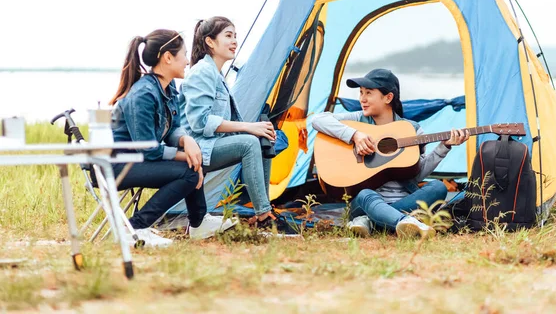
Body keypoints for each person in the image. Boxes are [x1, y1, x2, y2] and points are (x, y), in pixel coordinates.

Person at [110, 29, 236, 247]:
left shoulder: (168, 89)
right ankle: (136, 227)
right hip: (118, 165)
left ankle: (198, 222)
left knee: (194, 163)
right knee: (190, 169)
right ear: (168, 57)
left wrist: (186, 141)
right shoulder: (144, 95)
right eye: (184, 55)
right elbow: (147, 149)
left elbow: (173, 129)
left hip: (138, 161)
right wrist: (186, 156)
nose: (188, 61)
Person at [312, 68, 469, 238]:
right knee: (365, 194)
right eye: (361, 93)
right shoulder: (357, 120)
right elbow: (318, 120)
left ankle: (372, 221)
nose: (362, 99)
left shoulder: (411, 129)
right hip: (365, 202)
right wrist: (354, 135)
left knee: (438, 186)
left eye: (369, 93)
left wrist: (443, 147)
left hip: (403, 201)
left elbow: (416, 175)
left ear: (388, 97)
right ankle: (405, 222)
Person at [179, 16, 294, 233]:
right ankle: (263, 214)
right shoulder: (203, 71)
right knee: (249, 142)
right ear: (210, 42)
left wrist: (259, 129)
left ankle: (264, 210)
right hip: (196, 148)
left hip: (211, 144)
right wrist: (248, 128)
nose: (234, 41)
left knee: (262, 138)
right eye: (228, 36)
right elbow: (199, 122)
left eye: (235, 36)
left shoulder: (216, 73)